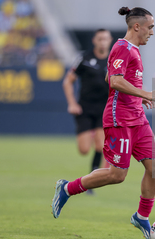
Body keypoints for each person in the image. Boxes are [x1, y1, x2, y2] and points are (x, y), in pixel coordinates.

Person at [52, 7, 155, 239]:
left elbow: (108, 77)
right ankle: (67, 189)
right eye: (150, 27)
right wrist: (144, 93)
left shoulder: (131, 49)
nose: (152, 32)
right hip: (119, 119)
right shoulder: (123, 47)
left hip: (138, 118)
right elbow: (114, 80)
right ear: (137, 26)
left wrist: (137, 97)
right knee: (117, 175)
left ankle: (141, 216)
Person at [62, 29, 112, 194]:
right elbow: (67, 81)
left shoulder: (114, 60)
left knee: (100, 145)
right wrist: (72, 103)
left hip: (104, 109)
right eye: (100, 39)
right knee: (84, 150)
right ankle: (92, 135)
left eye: (105, 39)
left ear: (110, 40)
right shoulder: (84, 58)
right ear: (94, 41)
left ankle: (91, 179)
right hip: (84, 108)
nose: (103, 42)